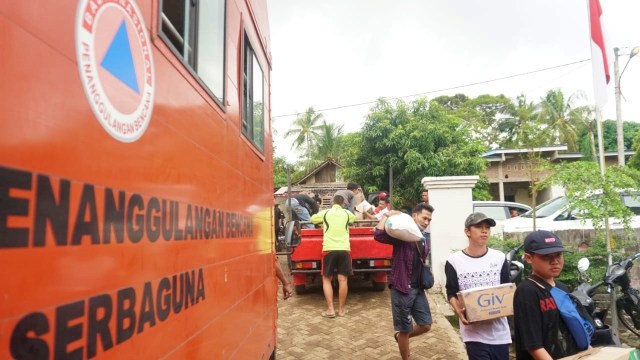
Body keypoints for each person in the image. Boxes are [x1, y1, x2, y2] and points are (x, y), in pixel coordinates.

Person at [445, 212, 511, 360]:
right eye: (479, 227)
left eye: (487, 227)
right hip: (473, 333)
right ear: (467, 231)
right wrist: (459, 312)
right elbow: (451, 291)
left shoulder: (499, 258)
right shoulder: (454, 261)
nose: (484, 230)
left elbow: (506, 290)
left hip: (500, 332)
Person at [373, 203, 434, 360]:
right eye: (424, 218)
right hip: (401, 286)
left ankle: (400, 337)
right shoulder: (402, 234)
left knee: (426, 325)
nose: (427, 222)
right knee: (405, 329)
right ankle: (405, 351)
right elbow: (378, 235)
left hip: (418, 287)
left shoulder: (424, 238)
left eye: (429, 220)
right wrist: (386, 215)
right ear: (414, 216)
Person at [513, 230, 581, 359]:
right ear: (528, 258)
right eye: (546, 256)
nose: (555, 261)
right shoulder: (527, 291)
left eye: (558, 255)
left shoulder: (562, 288)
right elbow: (533, 346)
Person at [310, 195, 356, 318]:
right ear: (343, 204)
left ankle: (331, 310)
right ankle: (341, 310)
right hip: (344, 249)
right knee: (343, 280)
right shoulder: (347, 213)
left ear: (332, 202)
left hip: (328, 249)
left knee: (326, 279)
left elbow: (313, 219)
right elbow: (353, 219)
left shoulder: (325, 213)